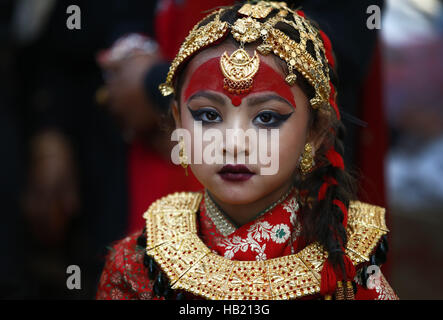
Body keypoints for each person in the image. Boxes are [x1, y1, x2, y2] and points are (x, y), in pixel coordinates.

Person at [96, 1, 397, 300]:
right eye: (209, 116)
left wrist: (150, 80)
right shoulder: (133, 266)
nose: (234, 144)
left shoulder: (351, 267)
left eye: (267, 118)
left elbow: (346, 35)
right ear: (177, 122)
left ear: (315, 132)